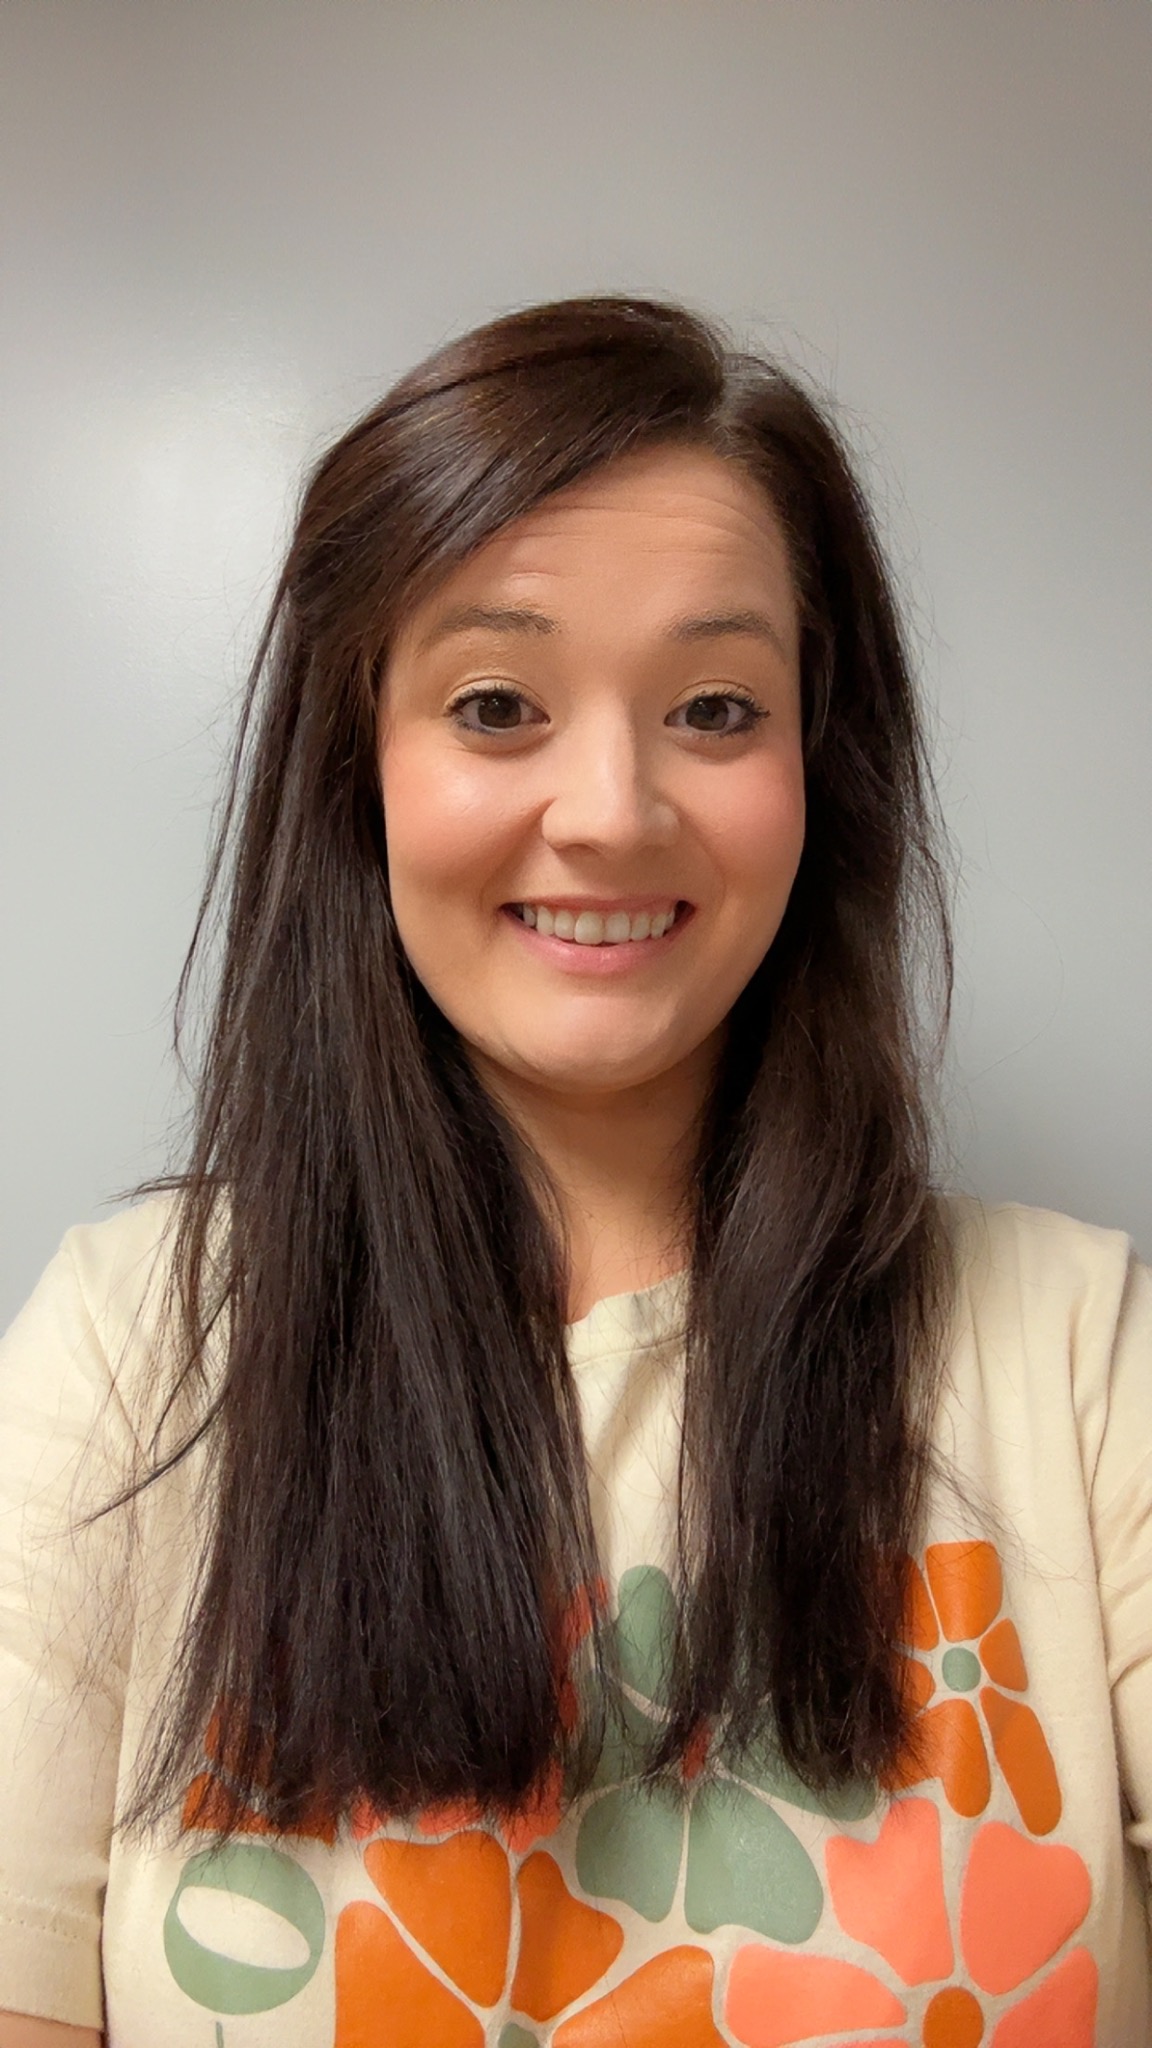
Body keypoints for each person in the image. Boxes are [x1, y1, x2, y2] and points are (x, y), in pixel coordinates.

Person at [0, 293, 1149, 2048]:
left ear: (817, 766)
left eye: (714, 706)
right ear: (360, 766)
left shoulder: (1080, 1359)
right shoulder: (131, 1353)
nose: (611, 807)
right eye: (496, 704)